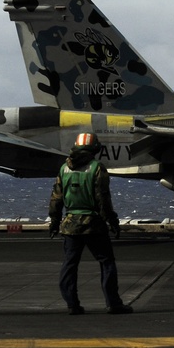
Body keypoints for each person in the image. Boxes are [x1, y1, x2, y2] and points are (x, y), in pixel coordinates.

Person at [48, 132, 132, 315]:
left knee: (70, 264)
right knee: (106, 262)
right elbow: (103, 199)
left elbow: (56, 198)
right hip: (93, 224)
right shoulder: (97, 168)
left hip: (70, 224)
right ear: (95, 148)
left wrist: (54, 222)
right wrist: (113, 222)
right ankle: (113, 303)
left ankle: (72, 304)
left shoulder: (64, 169)